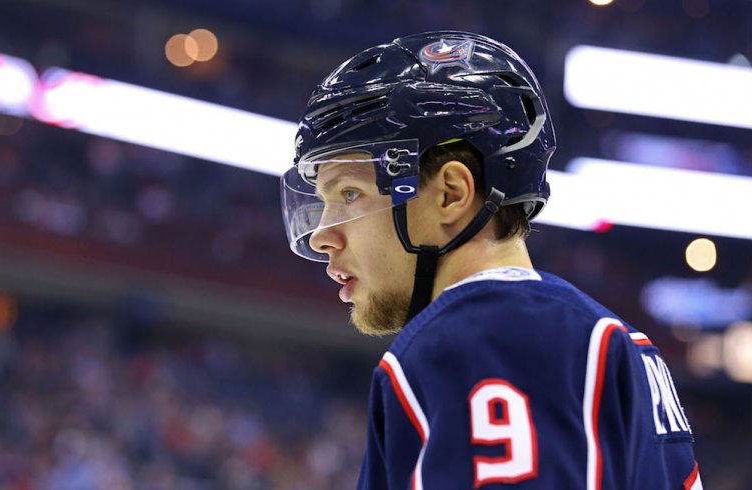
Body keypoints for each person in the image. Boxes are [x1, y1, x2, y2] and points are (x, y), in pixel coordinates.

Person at [280, 31, 701, 489]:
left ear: (450, 194)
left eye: (349, 193)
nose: (322, 235)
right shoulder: (600, 338)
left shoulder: (487, 334)